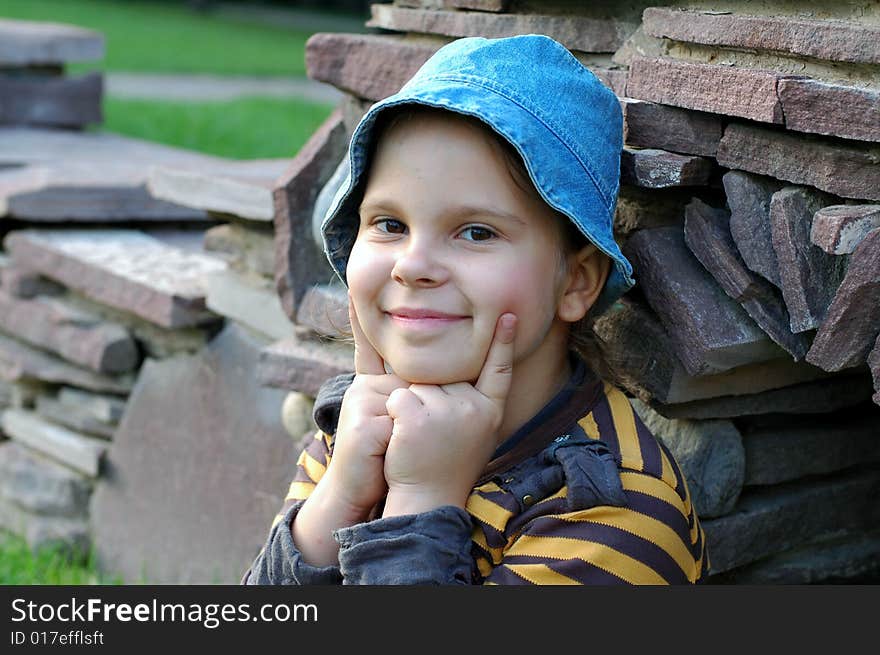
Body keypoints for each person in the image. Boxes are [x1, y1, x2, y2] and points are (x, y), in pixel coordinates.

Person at [242, 34, 708, 585]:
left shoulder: (616, 514)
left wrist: (421, 501)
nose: (413, 265)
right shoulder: (357, 427)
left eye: (476, 231)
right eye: (390, 224)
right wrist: (339, 498)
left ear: (576, 281)